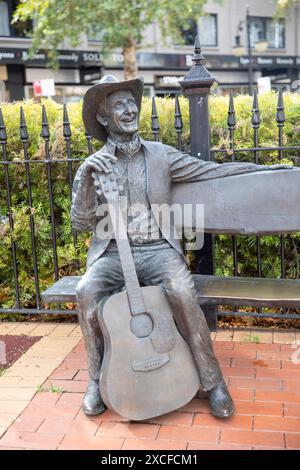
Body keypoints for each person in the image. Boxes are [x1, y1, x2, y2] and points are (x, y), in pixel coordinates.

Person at [71, 75, 289, 419]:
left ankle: (212, 382)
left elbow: (214, 173)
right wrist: (84, 179)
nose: (129, 110)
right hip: (113, 255)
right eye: (118, 105)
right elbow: (81, 224)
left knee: (183, 292)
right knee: (86, 292)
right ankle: (96, 382)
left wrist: (268, 170)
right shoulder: (94, 166)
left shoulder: (160, 156)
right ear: (102, 118)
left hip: (158, 251)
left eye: (132, 103)